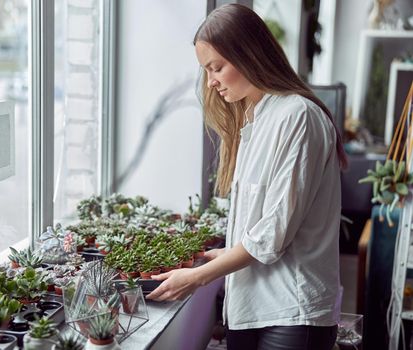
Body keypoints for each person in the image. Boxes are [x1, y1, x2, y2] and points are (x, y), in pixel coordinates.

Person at [146, 4, 347, 350]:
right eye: (207, 70)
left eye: (217, 68)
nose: (211, 82)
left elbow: (272, 234)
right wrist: (224, 254)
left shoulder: (297, 116)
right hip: (248, 310)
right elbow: (262, 225)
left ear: (249, 55)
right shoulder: (255, 119)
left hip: (291, 314)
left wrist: (195, 278)